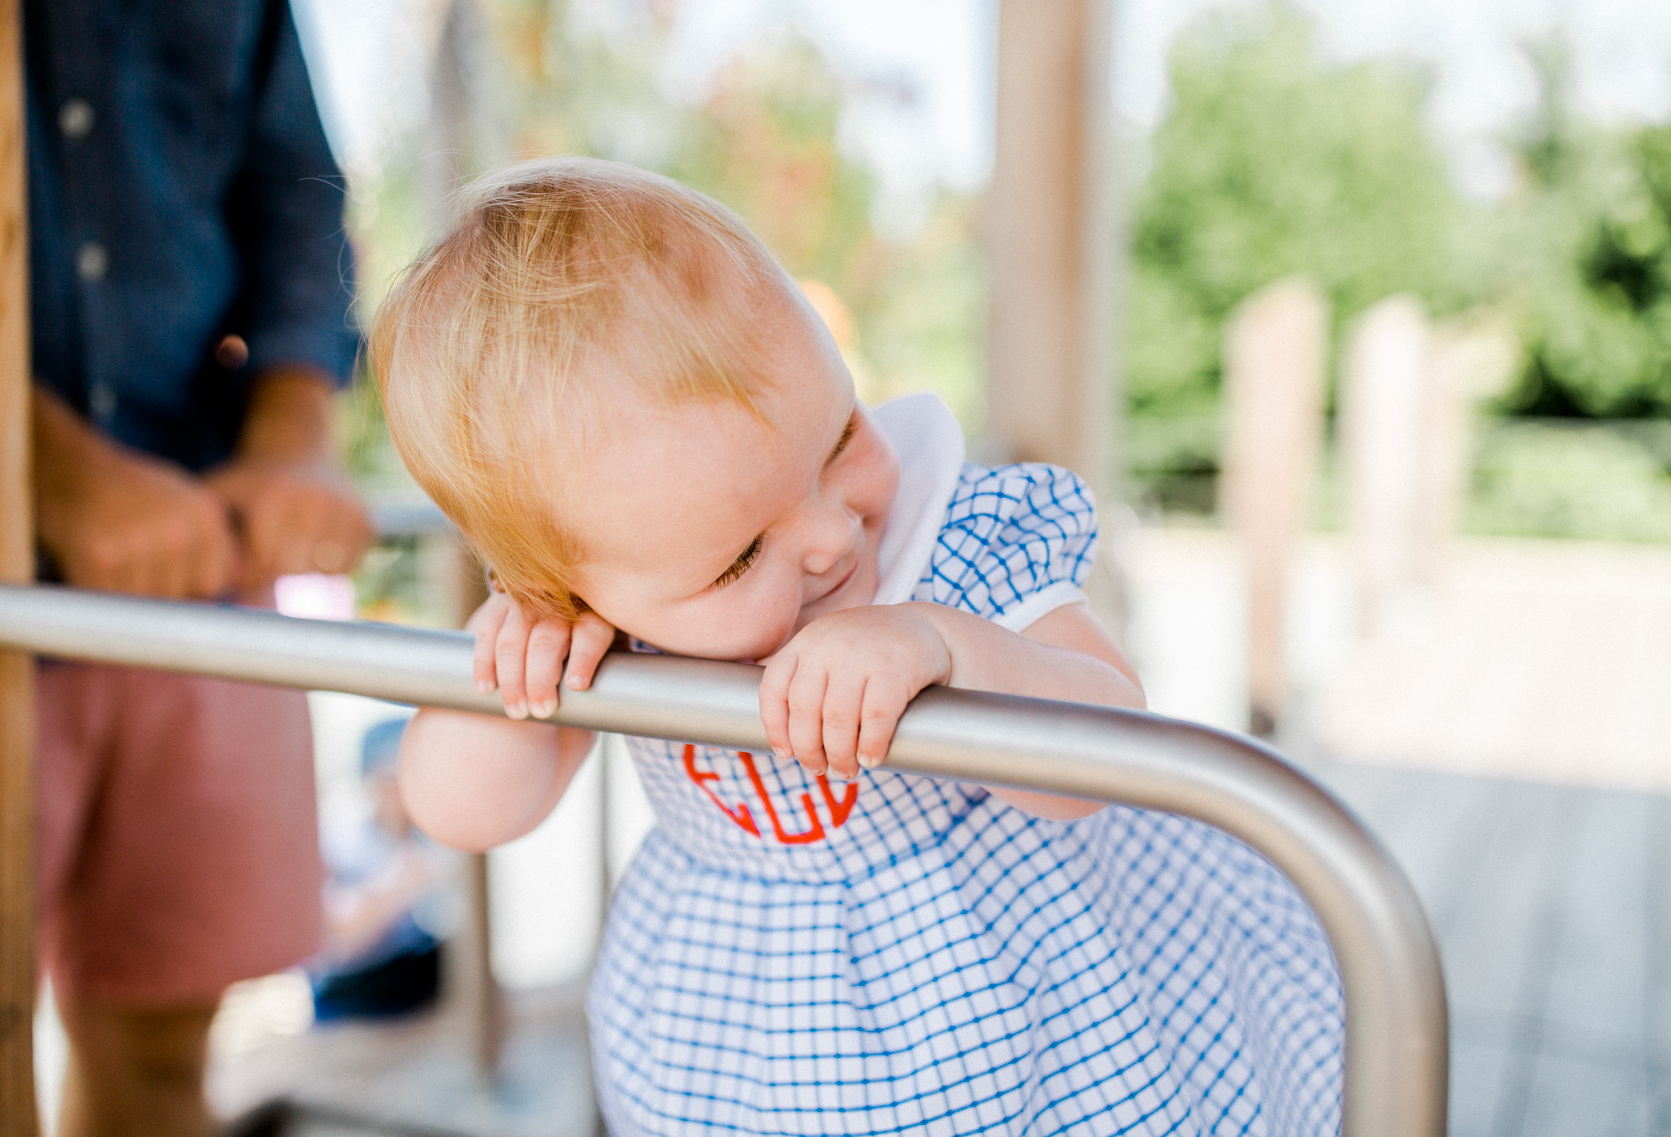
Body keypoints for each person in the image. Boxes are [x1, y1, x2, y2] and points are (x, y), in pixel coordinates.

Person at [371, 158, 1344, 1136]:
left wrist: (946, 643)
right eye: (742, 555)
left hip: (1031, 1007)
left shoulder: (947, 542)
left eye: (839, 438)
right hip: (740, 1043)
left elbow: (1110, 750)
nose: (834, 535)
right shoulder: (605, 631)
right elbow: (463, 813)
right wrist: (508, 667)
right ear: (578, 585)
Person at [23, 0, 372, 1133]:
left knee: (165, 1045)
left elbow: (295, 184)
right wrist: (48, 471)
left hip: (202, 557)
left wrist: (292, 431)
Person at [309, 716, 459, 1022]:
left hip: (419, 981)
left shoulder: (442, 839)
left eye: (410, 779)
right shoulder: (342, 840)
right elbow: (332, 939)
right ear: (369, 781)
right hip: (350, 993)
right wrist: (397, 886)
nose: (400, 793)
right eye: (390, 781)